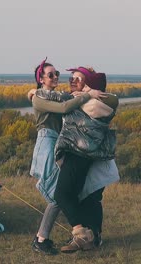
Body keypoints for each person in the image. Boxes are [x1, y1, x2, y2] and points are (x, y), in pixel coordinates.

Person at [28, 58, 104, 255]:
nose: (55, 77)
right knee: (57, 194)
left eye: (57, 74)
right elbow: (64, 108)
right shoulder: (39, 98)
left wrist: (85, 93)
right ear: (41, 79)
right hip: (47, 142)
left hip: (59, 143)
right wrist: (88, 95)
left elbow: (69, 99)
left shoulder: (56, 95)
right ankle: (45, 238)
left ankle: (43, 239)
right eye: (50, 74)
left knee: (61, 192)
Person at [53, 66, 119, 253]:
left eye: (78, 79)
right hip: (92, 156)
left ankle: (83, 235)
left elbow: (59, 101)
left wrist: (34, 92)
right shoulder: (87, 99)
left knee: (64, 195)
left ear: (89, 85)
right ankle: (92, 237)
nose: (72, 81)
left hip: (78, 154)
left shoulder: (90, 103)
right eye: (71, 78)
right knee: (89, 198)